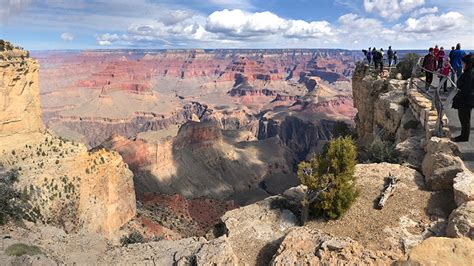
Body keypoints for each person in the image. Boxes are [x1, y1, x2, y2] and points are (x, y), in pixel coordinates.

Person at [451, 54, 474, 142]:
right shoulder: (469, 72)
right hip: (466, 99)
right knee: (464, 118)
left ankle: (464, 137)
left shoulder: (470, 73)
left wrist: (458, 96)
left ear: (468, 64)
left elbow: (466, 89)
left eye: (463, 63)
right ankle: (463, 135)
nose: (462, 65)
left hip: (466, 100)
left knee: (465, 119)